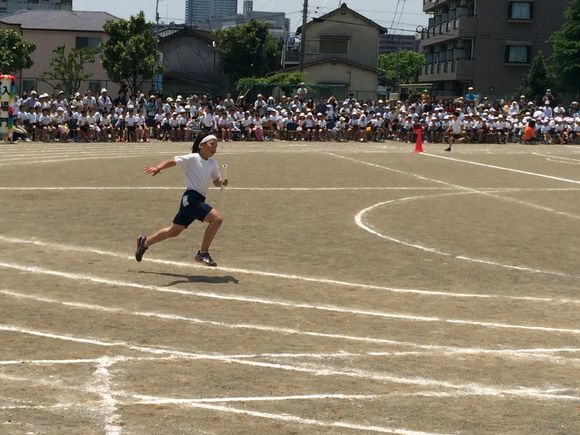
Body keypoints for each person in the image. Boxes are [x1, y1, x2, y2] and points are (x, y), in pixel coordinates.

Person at [135, 134, 228, 267]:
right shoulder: (193, 158)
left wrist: (222, 182)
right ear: (202, 145)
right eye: (212, 144)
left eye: (216, 145)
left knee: (174, 231)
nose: (215, 147)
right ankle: (203, 253)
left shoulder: (212, 163)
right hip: (191, 198)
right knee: (217, 219)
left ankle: (145, 242)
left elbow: (216, 182)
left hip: (197, 199)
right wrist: (158, 167)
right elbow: (172, 161)